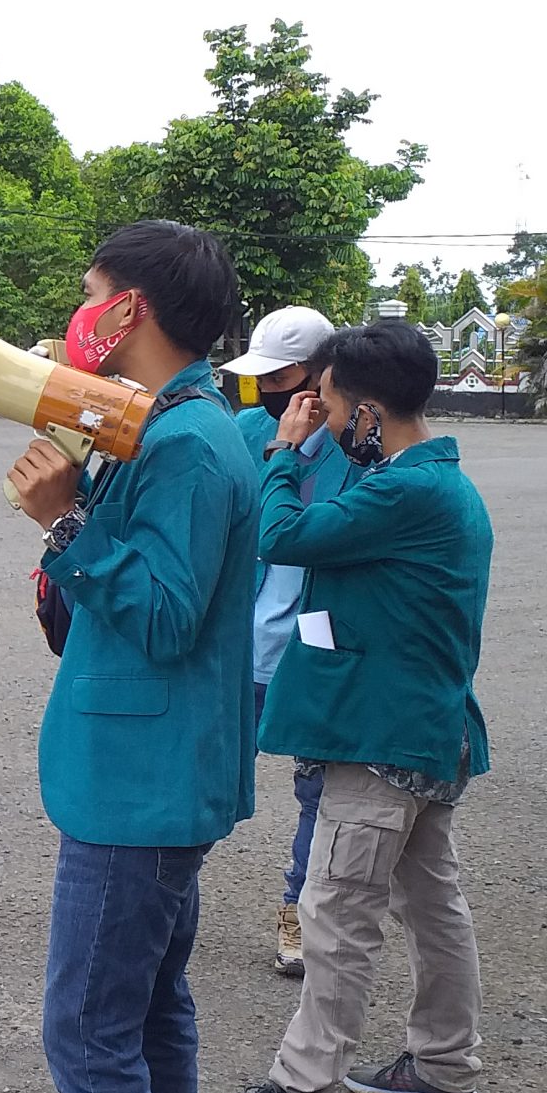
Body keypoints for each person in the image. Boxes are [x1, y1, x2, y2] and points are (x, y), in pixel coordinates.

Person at [0, 220, 256, 1093]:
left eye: (91, 298)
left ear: (133, 310)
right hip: (149, 771)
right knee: (149, 1015)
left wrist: (64, 520)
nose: (78, 317)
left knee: (87, 1031)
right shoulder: (168, 427)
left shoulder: (191, 445)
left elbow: (158, 616)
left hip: (139, 782)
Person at [209, 320, 495, 1093]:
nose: (319, 417)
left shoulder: (403, 493)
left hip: (381, 742)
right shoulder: (438, 484)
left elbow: (283, 538)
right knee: (434, 905)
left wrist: (284, 457)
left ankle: (304, 1090)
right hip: (427, 732)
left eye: (329, 404)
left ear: (368, 413)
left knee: (336, 911)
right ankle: (442, 1065)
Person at [224, 308, 359, 974]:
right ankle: (162, 900)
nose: (266, 392)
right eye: (260, 379)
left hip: (312, 652)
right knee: (210, 780)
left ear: (319, 379)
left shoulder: (355, 452)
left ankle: (294, 925)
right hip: (237, 644)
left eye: (280, 379)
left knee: (317, 798)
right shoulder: (246, 429)